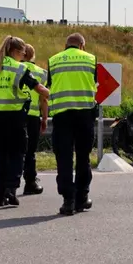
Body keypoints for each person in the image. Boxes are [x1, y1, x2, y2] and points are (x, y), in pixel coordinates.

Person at [0, 35, 49, 207]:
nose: (23, 56)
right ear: (15, 51)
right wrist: (54, 95)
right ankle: (11, 188)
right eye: (22, 53)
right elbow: (38, 88)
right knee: (16, 154)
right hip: (14, 119)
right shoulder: (19, 68)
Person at [47, 32, 97, 215]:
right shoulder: (91, 59)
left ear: (65, 45)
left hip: (61, 116)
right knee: (83, 157)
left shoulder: (54, 60)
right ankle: (82, 198)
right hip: (84, 115)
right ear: (82, 45)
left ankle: (68, 200)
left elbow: (50, 86)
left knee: (64, 158)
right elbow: (96, 85)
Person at [21, 44, 48, 195]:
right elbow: (44, 99)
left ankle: (8, 185)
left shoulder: (13, 68)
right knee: (30, 151)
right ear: (33, 55)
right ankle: (30, 182)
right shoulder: (40, 73)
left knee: (13, 150)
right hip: (32, 117)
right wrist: (44, 118)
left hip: (14, 115)